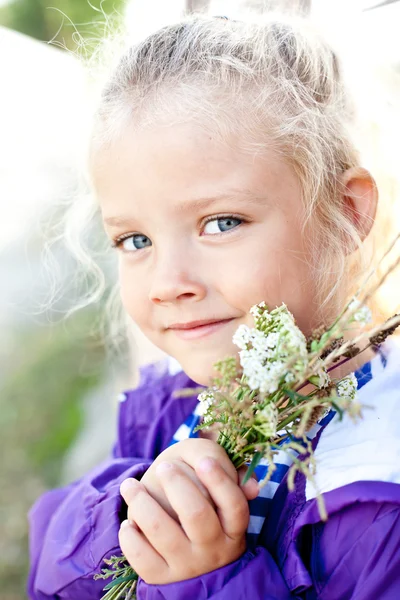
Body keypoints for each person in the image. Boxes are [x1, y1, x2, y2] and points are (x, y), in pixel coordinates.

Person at [27, 9, 400, 600]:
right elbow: (53, 574)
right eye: (135, 240)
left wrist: (207, 581)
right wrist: (129, 523)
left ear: (347, 213)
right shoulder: (166, 410)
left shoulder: (378, 486)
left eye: (221, 222)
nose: (168, 282)